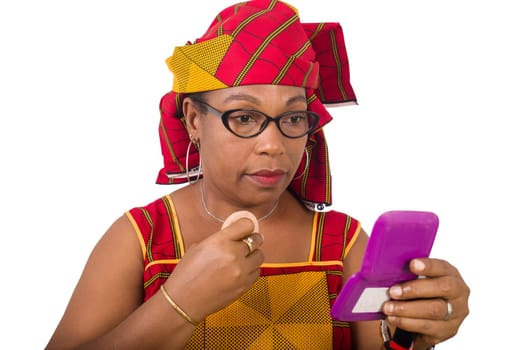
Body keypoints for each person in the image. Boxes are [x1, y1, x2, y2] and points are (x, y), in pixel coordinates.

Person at [45, 1, 470, 349]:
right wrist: (177, 303)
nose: (273, 144)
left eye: (293, 118)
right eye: (245, 117)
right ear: (193, 120)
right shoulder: (140, 238)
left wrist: (416, 331)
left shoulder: (344, 244)